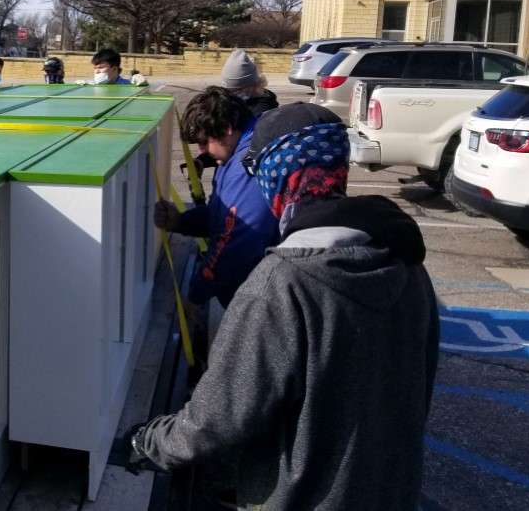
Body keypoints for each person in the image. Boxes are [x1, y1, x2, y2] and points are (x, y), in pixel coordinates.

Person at [124, 103, 439, 511]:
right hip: (391, 492)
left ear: (275, 177)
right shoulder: (408, 266)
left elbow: (217, 419)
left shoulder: (281, 285)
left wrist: (146, 442)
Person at [155, 87, 278, 308]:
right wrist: (182, 221)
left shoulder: (246, 167)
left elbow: (236, 243)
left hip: (259, 301)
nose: (201, 151)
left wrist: (196, 294)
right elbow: (219, 216)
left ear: (227, 128)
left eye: (204, 141)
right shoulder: (235, 153)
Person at [221, 49, 278, 117]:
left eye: (237, 90)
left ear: (253, 85)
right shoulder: (234, 104)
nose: (232, 94)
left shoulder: (261, 112)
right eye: (229, 91)